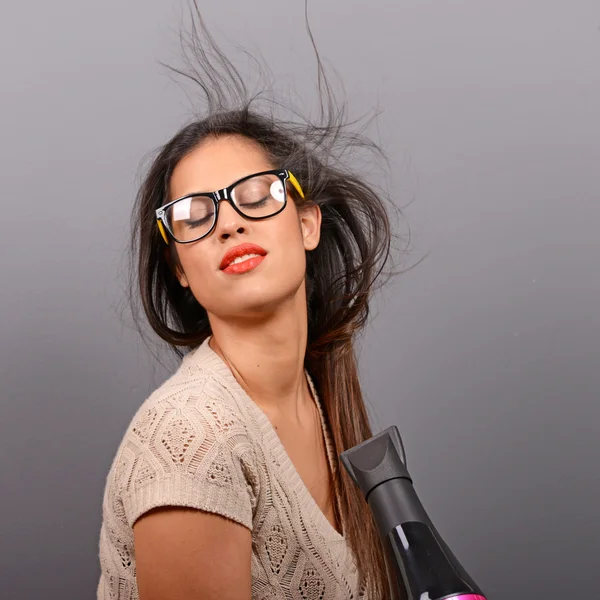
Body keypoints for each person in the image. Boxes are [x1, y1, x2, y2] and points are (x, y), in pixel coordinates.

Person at [98, 6, 406, 600]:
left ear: (308, 222)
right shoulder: (190, 440)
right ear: (180, 270)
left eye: (256, 195)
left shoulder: (323, 396)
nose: (229, 224)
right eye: (194, 215)